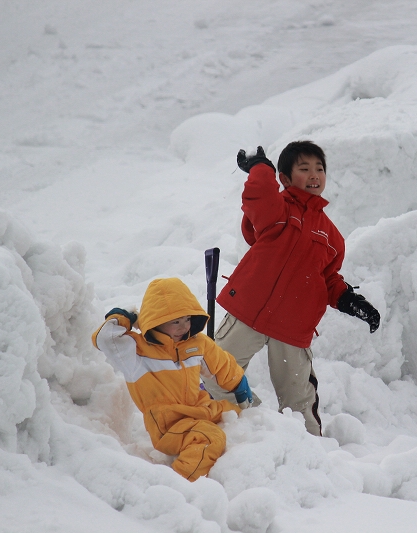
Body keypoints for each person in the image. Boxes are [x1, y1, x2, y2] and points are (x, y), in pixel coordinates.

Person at [202, 141, 381, 436]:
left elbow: (328, 278)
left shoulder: (332, 236)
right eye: (304, 168)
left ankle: (309, 447)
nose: (314, 174)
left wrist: (350, 299)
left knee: (298, 398)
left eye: (319, 169)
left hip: (293, 325)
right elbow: (258, 197)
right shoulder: (278, 211)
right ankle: (256, 425)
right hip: (251, 311)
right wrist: (262, 169)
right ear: (284, 178)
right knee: (215, 373)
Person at [92, 277, 253, 481]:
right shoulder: (135, 353)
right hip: (168, 424)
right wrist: (125, 318)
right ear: (155, 321)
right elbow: (104, 338)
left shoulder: (196, 344)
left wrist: (238, 383)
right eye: (175, 322)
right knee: (210, 439)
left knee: (241, 420)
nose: (183, 327)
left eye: (187, 319)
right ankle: (180, 483)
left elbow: (221, 365)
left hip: (200, 409)